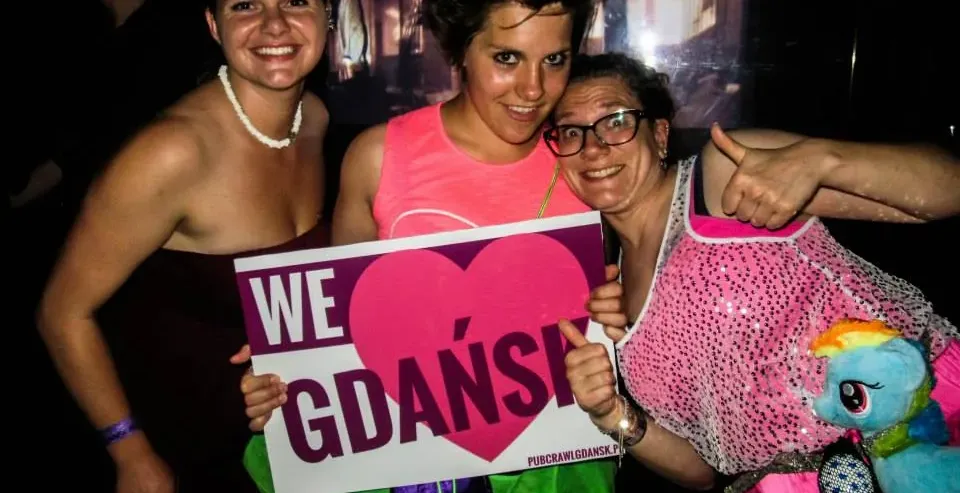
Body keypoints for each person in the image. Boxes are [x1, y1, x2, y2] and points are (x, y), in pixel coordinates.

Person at [235, 1, 625, 492]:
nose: (533, 89)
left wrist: (619, 309)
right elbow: (342, 321)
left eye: (554, 60)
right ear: (461, 50)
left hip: (547, 468)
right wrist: (287, 364)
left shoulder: (586, 162)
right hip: (401, 464)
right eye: (507, 58)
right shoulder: (380, 157)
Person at [553, 53, 960, 492]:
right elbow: (702, 472)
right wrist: (610, 414)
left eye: (615, 121)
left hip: (923, 427)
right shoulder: (613, 299)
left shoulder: (721, 177)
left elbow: (947, 190)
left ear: (659, 133)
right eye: (572, 131)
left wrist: (820, 160)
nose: (593, 147)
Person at [35, 1, 334, 491]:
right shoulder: (172, 152)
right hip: (180, 444)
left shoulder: (313, 120)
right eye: (245, 5)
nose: (274, 24)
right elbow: (61, 314)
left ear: (328, 16)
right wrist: (130, 451)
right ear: (214, 25)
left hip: (279, 436)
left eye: (296, 1)